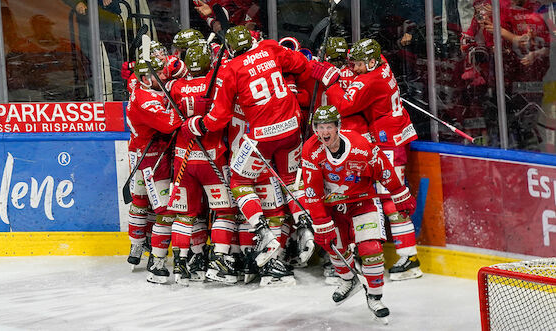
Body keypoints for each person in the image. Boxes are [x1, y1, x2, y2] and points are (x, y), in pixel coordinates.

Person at [180, 26, 311, 274]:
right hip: (293, 128)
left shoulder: (231, 69)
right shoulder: (270, 48)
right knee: (292, 181)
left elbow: (219, 117)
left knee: (239, 181)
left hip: (263, 135)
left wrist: (197, 125)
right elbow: (301, 63)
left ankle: (262, 232)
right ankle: (304, 226)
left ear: (230, 49)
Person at [311, 38, 422, 281]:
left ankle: (410, 258)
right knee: (387, 196)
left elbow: (344, 105)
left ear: (371, 62)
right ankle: (404, 254)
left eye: (359, 64)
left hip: (388, 141)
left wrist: (331, 80)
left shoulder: (370, 79)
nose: (355, 68)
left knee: (391, 197)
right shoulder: (380, 62)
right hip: (393, 134)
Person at [302, 105, 416, 322]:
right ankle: (348, 280)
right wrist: (320, 220)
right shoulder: (311, 150)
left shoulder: (360, 145)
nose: (324, 132)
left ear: (338, 127)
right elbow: (312, 191)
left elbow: (383, 168)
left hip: (362, 202)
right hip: (333, 207)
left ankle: (375, 297)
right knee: (334, 245)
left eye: (329, 127)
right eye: (320, 127)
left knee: (370, 248)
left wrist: (399, 192)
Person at [167, 44, 238, 285]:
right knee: (224, 210)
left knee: (185, 215)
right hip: (211, 157)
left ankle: (181, 264)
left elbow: (171, 120)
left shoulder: (175, 86)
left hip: (183, 158)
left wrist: (187, 123)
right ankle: (218, 260)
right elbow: (221, 116)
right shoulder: (215, 80)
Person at [125, 55, 182, 284]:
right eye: (157, 74)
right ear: (146, 78)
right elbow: (170, 124)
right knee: (164, 211)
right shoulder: (146, 98)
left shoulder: (136, 84)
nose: (163, 77)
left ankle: (136, 247)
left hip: (139, 153)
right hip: (152, 161)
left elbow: (129, 74)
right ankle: (157, 262)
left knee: (140, 203)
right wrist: (182, 110)